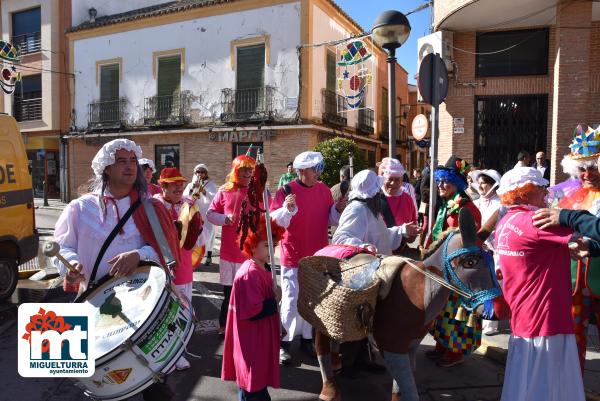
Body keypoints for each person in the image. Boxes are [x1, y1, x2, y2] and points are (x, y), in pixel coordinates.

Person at [53, 139, 181, 401]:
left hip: (141, 308)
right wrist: (70, 265)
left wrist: (140, 255)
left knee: (153, 382)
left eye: (132, 161)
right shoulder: (79, 209)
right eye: (121, 161)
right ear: (106, 169)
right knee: (103, 382)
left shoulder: (151, 207)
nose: (129, 166)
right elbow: (61, 247)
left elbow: (168, 255)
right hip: (95, 305)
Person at [494, 167, 585, 401]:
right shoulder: (538, 220)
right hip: (546, 316)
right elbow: (584, 233)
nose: (546, 193)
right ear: (524, 194)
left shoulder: (505, 221)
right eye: (541, 188)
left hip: (523, 314)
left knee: (521, 381)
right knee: (548, 384)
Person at [270, 151, 345, 365]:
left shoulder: (323, 190)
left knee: (312, 300)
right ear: (302, 171)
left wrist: (338, 209)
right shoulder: (286, 191)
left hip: (318, 256)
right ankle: (283, 343)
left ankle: (306, 339)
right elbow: (275, 222)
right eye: (316, 169)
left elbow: (330, 219)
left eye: (319, 169)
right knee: (291, 300)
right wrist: (287, 209)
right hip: (293, 255)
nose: (319, 174)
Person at [221, 216, 285, 401]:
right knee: (252, 387)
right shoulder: (250, 275)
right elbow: (254, 310)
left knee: (257, 387)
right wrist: (275, 300)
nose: (271, 250)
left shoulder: (262, 269)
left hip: (259, 340)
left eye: (273, 245)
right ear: (252, 245)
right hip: (252, 343)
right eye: (266, 245)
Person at [427, 156, 482, 367]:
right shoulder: (446, 204)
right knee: (441, 309)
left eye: (445, 181)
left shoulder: (465, 207)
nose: (440, 185)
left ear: (456, 183)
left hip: (459, 268)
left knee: (456, 311)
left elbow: (473, 237)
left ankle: (455, 350)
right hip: (444, 266)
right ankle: (443, 344)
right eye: (439, 180)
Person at [154, 167, 204, 371]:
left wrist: (195, 229)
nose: (179, 188)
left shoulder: (188, 205)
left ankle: (179, 353)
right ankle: (161, 358)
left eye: (180, 184)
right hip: (160, 268)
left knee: (182, 311)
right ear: (163, 186)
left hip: (183, 269)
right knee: (161, 314)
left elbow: (196, 240)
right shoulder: (153, 206)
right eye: (174, 184)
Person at [207, 155, 259, 335]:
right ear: (236, 171)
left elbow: (268, 215)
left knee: (248, 293)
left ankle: (246, 326)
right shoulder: (224, 191)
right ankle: (225, 325)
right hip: (229, 253)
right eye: (244, 169)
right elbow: (210, 214)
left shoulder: (258, 192)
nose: (248, 173)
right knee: (228, 293)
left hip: (250, 253)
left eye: (250, 169)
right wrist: (224, 218)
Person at [472, 169, 502, 335]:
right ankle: (480, 315)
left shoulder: (500, 204)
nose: (481, 185)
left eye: (485, 182)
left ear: (493, 185)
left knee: (493, 284)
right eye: (480, 182)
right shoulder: (477, 203)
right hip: (478, 249)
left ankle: (491, 321)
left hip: (494, 250)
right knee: (478, 285)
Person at [378, 158, 420, 247]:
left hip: (401, 251)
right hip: (379, 251)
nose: (393, 183)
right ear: (383, 179)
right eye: (390, 179)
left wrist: (413, 233)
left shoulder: (407, 199)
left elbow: (413, 224)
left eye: (397, 179)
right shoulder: (375, 198)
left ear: (401, 181)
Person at [185, 163, 218, 266]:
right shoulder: (191, 184)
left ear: (206, 173)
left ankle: (208, 255)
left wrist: (202, 190)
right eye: (198, 172)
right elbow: (184, 197)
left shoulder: (211, 184)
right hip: (195, 213)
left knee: (209, 235)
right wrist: (192, 189)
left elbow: (214, 198)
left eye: (202, 172)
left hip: (207, 213)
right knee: (195, 235)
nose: (200, 174)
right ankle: (195, 258)